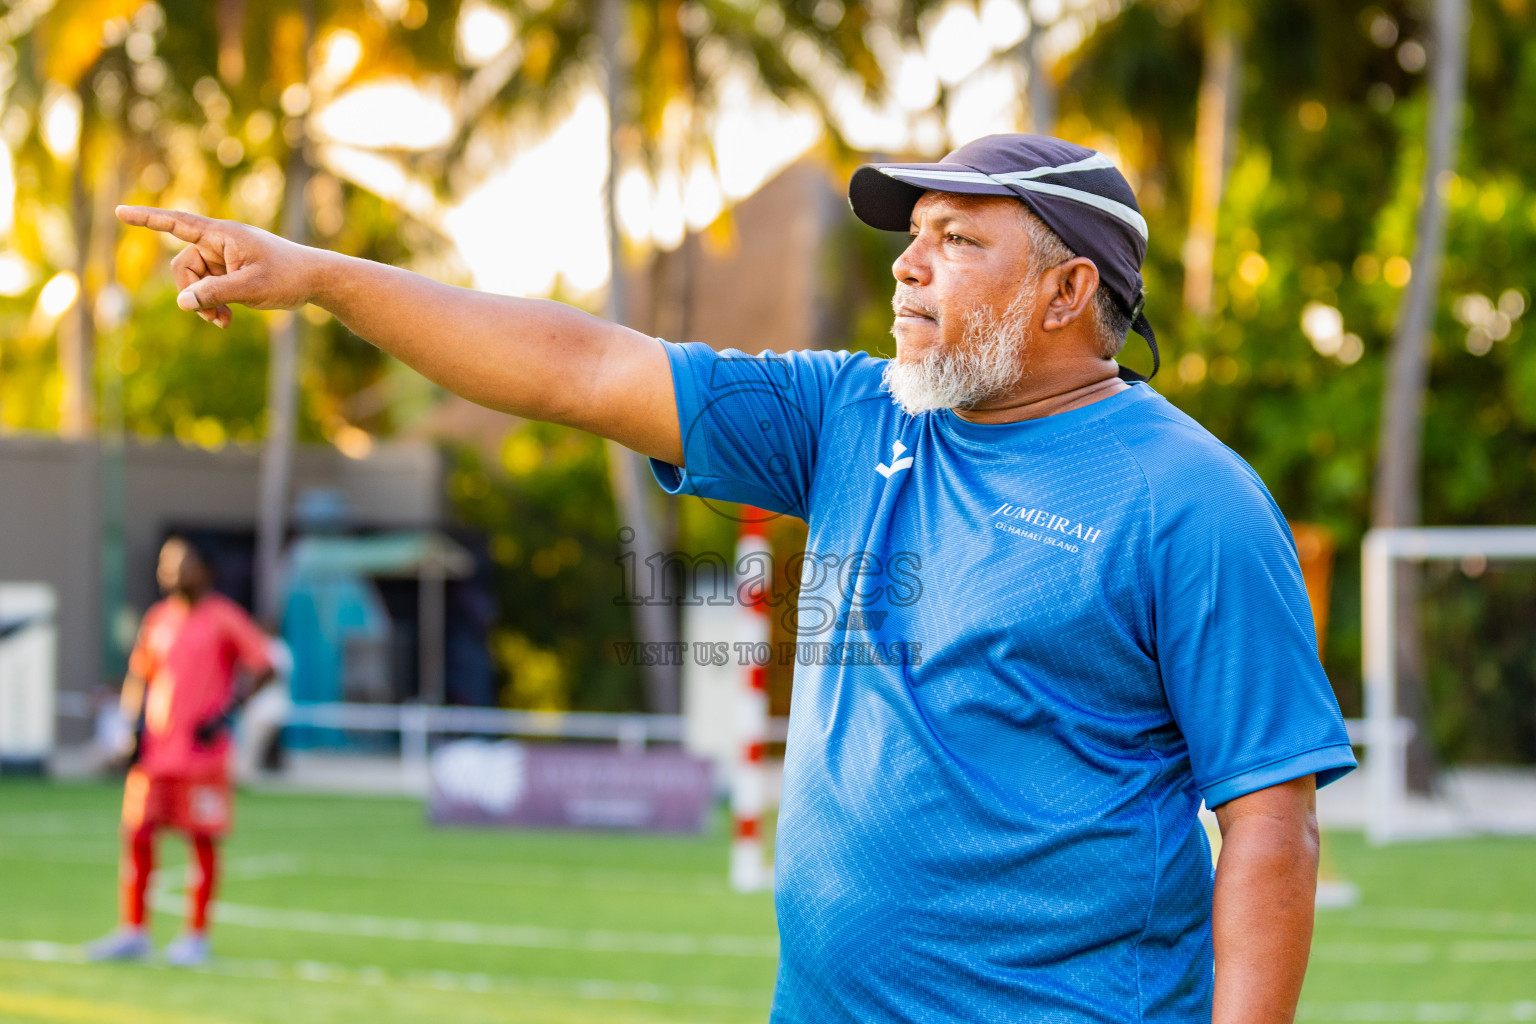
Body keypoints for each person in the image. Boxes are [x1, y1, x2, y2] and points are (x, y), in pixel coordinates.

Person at [117, 132, 1356, 1022]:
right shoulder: (853, 416)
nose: (909, 266)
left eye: (958, 240)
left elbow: (1270, 822)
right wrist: (328, 279)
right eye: (912, 237)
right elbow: (577, 367)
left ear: (1069, 293)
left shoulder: (1188, 500)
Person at [87, 536, 274, 966]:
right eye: (166, 563)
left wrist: (227, 714)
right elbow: (140, 676)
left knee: (202, 842)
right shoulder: (157, 619)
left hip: (201, 756)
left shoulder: (224, 617)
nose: (171, 571)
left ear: (204, 570)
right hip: (155, 754)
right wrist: (129, 731)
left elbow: (265, 667)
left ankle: (195, 937)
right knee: (136, 837)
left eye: (181, 563)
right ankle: (133, 930)